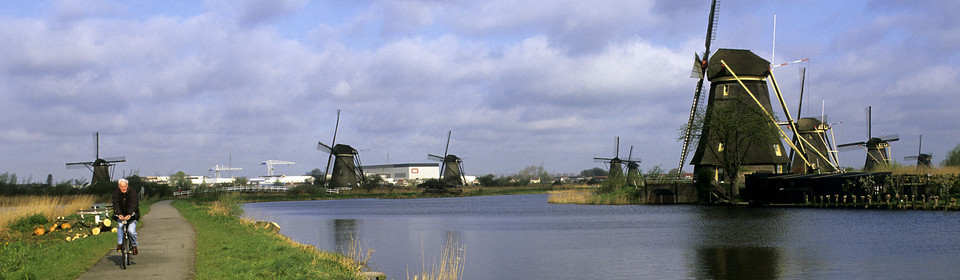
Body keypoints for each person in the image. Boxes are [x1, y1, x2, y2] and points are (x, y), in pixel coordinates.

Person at [113, 178, 140, 255]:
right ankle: (120, 244)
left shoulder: (132, 192)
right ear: (119, 186)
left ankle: (134, 246)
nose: (123, 188)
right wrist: (119, 214)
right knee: (120, 226)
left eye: (125, 186)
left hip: (131, 215)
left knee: (131, 231)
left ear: (127, 186)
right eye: (121, 186)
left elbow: (134, 204)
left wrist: (130, 214)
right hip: (121, 215)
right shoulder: (116, 193)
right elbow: (116, 204)